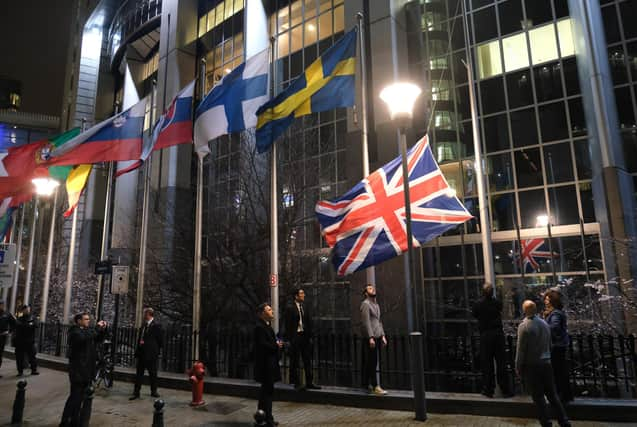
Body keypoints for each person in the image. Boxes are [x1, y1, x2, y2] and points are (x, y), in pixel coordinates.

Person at [516, 300, 571, 427]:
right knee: (552, 395)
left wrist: (518, 366)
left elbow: (521, 350)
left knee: (539, 397)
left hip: (532, 365)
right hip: (546, 363)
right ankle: (564, 421)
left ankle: (546, 423)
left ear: (524, 310)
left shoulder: (524, 327)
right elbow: (550, 344)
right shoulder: (544, 324)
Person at [60, 312, 107, 427]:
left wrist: (103, 329)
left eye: (88, 319)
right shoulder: (74, 332)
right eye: (85, 319)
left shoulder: (86, 331)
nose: (88, 321)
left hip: (86, 370)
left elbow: (97, 338)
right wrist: (97, 328)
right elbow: (84, 338)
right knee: (74, 398)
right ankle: (65, 422)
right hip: (78, 371)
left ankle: (74, 421)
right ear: (78, 321)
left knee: (80, 399)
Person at [471, 283, 513, 398]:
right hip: (498, 335)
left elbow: (475, 315)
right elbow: (500, 309)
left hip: (485, 335)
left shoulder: (477, 304)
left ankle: (488, 389)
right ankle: (505, 389)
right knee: (501, 363)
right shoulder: (497, 303)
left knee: (487, 364)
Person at [283, 288, 320, 391]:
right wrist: (290, 339)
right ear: (296, 296)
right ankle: (297, 383)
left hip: (304, 336)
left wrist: (311, 336)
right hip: (296, 336)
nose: (304, 295)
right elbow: (288, 325)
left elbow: (309, 322)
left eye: (304, 293)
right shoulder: (290, 308)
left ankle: (309, 382)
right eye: (301, 293)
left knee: (307, 359)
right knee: (295, 361)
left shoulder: (305, 306)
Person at [254, 303, 283, 427]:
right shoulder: (260, 328)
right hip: (266, 366)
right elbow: (262, 345)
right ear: (262, 313)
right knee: (268, 393)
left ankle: (261, 417)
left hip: (269, 364)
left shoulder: (267, 326)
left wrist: (277, 344)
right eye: (269, 310)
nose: (272, 311)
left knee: (264, 393)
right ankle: (268, 420)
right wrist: (276, 346)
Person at [543, 289, 573, 404]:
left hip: (556, 346)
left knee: (557, 371)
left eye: (547, 299)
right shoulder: (557, 312)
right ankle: (565, 394)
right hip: (560, 345)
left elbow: (554, 327)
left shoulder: (555, 313)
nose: (546, 301)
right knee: (561, 370)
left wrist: (544, 327)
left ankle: (561, 394)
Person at [360, 284, 387, 395]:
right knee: (372, 362)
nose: (373, 289)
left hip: (377, 336)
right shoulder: (365, 304)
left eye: (373, 288)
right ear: (366, 293)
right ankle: (376, 386)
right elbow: (366, 322)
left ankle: (365, 383)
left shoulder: (376, 305)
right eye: (370, 288)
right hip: (370, 338)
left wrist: (383, 335)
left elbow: (379, 321)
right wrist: (370, 337)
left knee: (371, 362)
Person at [130, 307, 163, 400]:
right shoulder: (143, 326)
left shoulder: (156, 326)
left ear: (149, 314)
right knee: (139, 373)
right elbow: (140, 338)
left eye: (145, 314)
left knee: (152, 373)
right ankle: (136, 392)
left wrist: (155, 351)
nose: (144, 316)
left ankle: (154, 391)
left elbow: (160, 340)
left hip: (151, 354)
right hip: (142, 353)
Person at [14, 304, 39, 376]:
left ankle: (34, 370)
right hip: (20, 341)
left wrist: (26, 326)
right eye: (25, 310)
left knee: (32, 356)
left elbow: (36, 325)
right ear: (23, 311)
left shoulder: (33, 318)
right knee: (19, 357)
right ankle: (20, 371)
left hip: (30, 341)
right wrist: (29, 325)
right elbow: (18, 326)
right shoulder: (19, 318)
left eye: (28, 309)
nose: (27, 311)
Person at [0, 301, 16, 378]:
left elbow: (14, 323)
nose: (2, 306)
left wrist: (9, 332)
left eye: (2, 305)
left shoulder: (7, 314)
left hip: (2, 337)